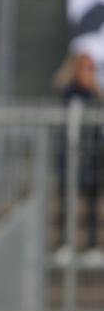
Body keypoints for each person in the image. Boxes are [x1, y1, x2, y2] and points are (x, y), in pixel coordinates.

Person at [53, 51, 104, 267]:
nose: (87, 73)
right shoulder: (68, 92)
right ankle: (64, 245)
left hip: (92, 157)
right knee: (66, 201)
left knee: (92, 202)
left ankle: (92, 247)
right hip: (71, 155)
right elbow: (58, 87)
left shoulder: (96, 95)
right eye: (83, 68)